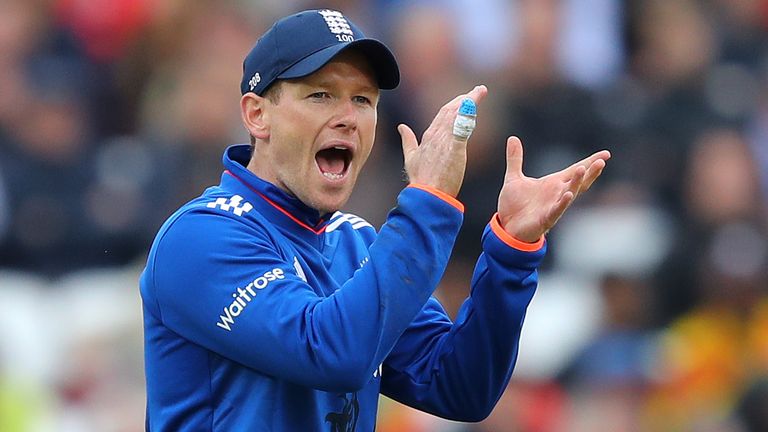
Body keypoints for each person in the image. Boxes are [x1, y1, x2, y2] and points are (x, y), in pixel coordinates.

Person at [139, 8, 610, 431]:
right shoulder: (201, 236)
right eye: (321, 95)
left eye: (363, 100)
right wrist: (428, 200)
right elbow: (331, 353)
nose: (348, 117)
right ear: (257, 115)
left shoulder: (357, 243)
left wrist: (511, 251)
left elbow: (458, 387)